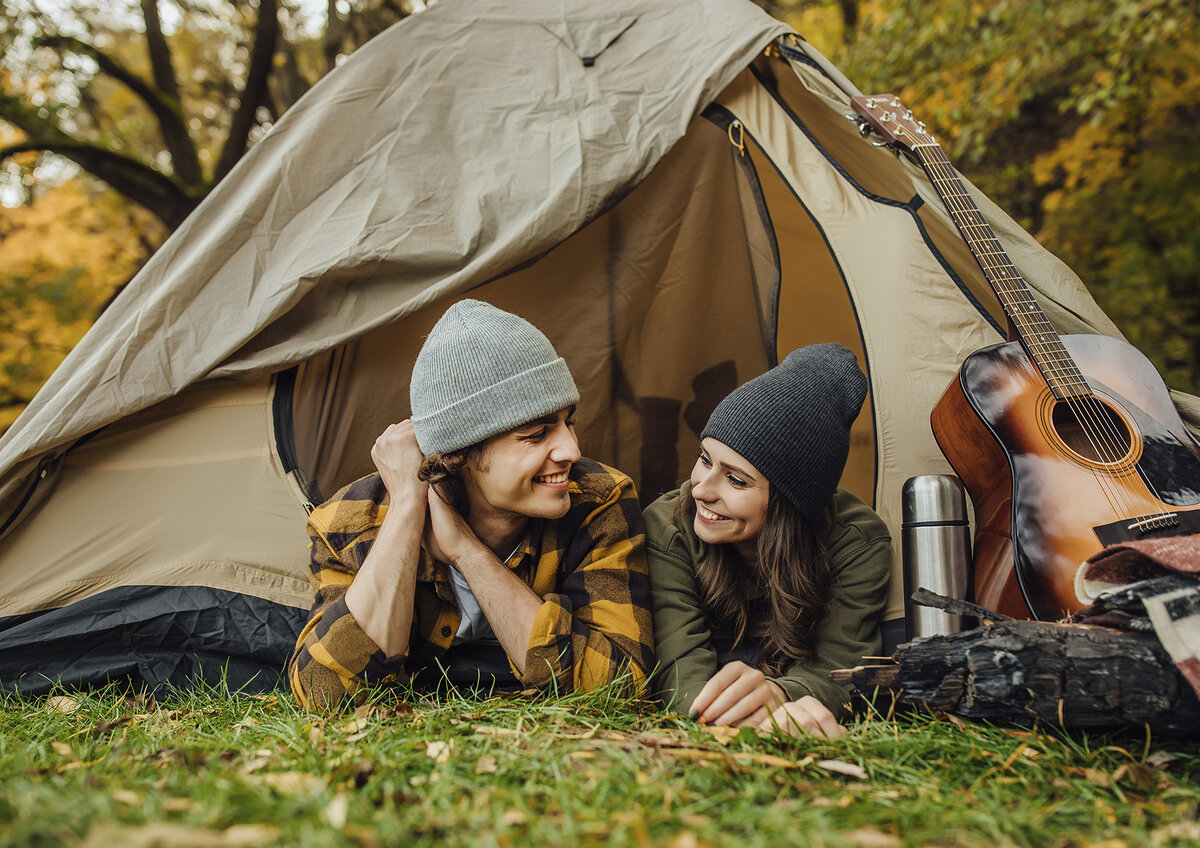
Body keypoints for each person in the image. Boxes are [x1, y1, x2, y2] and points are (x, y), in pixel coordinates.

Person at [289, 300, 654, 709]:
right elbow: (326, 694)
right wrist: (408, 507)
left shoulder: (599, 500)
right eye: (536, 434)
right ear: (458, 455)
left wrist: (467, 552)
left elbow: (620, 686)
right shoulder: (351, 520)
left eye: (569, 421)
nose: (572, 448)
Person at [645, 344, 891, 738]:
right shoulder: (668, 526)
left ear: (788, 502)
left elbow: (842, 666)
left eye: (736, 479)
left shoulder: (856, 540)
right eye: (705, 459)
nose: (701, 490)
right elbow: (680, 675)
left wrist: (779, 695)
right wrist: (726, 715)